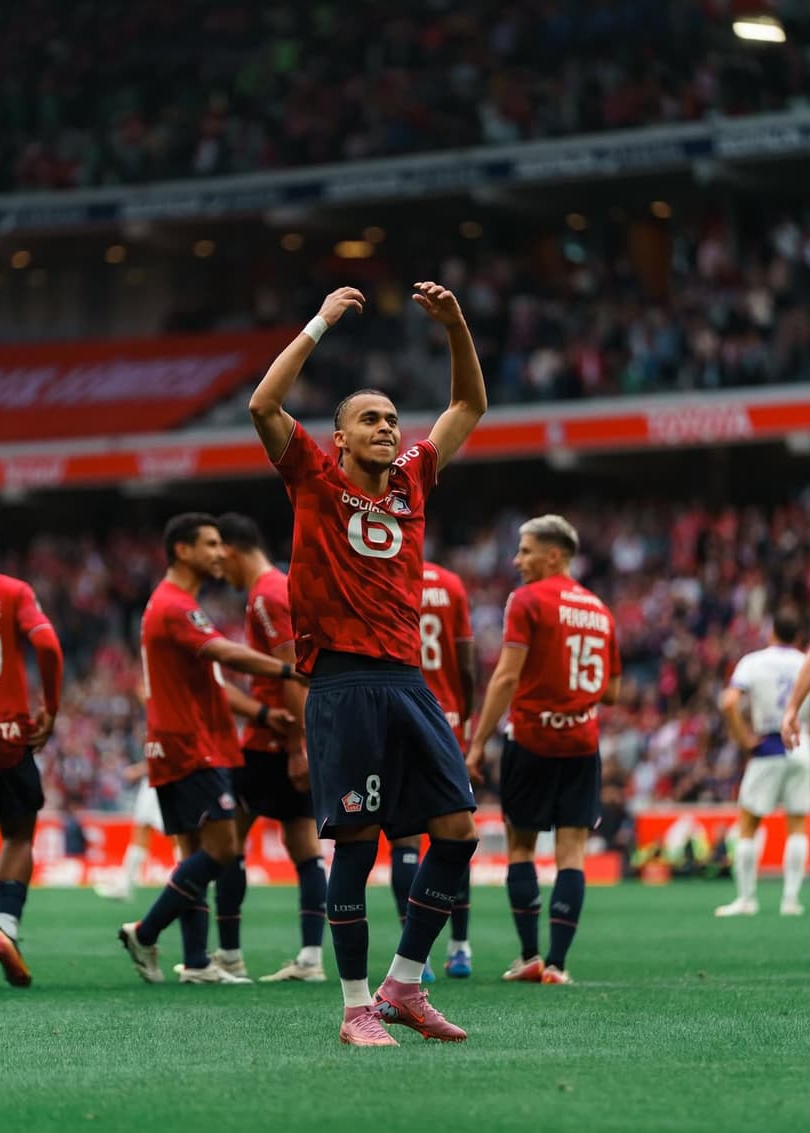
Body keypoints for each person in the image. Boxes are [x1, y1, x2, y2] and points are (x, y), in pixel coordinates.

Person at [249, 282, 486, 1046]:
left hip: (408, 681)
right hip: (344, 683)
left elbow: (467, 408)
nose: (387, 428)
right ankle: (355, 1007)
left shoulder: (415, 477)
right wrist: (319, 320)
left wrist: (455, 327)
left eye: (390, 418)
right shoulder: (313, 480)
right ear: (340, 438)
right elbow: (262, 404)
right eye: (369, 419)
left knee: (457, 828)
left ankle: (404, 985)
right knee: (354, 845)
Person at [118, 512, 305, 985]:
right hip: (190, 744)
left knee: (195, 852)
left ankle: (198, 963)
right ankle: (145, 931)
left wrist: (262, 714)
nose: (221, 553)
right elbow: (223, 652)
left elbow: (216, 678)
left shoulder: (172, 604)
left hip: (179, 741)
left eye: (222, 544)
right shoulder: (176, 605)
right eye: (210, 544)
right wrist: (286, 671)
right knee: (222, 847)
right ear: (183, 550)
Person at [467, 515, 620, 985]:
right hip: (581, 744)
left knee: (521, 846)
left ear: (554, 555)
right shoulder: (599, 610)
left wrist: (477, 743)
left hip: (532, 740)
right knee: (571, 852)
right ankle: (557, 964)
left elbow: (508, 676)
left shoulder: (527, 600)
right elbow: (611, 692)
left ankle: (530, 955)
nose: (517, 560)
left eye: (525, 551)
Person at [213, 511, 326, 983]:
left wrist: (298, 746)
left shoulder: (266, 596)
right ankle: (311, 958)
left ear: (234, 552)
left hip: (269, 742)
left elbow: (293, 671)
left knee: (225, 842)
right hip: (288, 736)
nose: (221, 572)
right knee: (302, 842)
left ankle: (229, 954)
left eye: (222, 562)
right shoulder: (279, 588)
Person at [0, 520, 63, 988]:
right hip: (9, 738)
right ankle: (5, 928)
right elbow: (46, 642)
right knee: (18, 837)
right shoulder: (11, 590)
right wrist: (50, 706)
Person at [390, 561, 476, 981]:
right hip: (448, 718)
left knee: (405, 838)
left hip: (400, 711)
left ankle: (416, 955)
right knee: (455, 831)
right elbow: (467, 662)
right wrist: (468, 715)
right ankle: (459, 948)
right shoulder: (451, 584)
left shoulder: (382, 573)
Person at [715, 608, 810, 917]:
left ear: (772, 632)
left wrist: (743, 738)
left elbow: (729, 701)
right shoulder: (806, 662)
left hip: (768, 744)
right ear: (800, 636)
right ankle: (791, 900)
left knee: (748, 824)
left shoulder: (754, 662)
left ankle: (746, 898)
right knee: (797, 824)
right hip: (802, 745)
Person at [94, 763, 165, 901]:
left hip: (162, 779)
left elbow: (166, 749)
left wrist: (140, 769)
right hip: (156, 779)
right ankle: (125, 884)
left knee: (175, 834)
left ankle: (189, 881)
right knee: (143, 829)